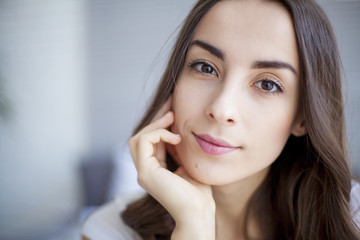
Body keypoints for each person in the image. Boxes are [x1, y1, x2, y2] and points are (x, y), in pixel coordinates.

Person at [82, 0, 360, 239]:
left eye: (267, 85)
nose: (222, 108)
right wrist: (193, 224)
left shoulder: (352, 219)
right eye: (205, 67)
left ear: (303, 118)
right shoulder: (111, 231)